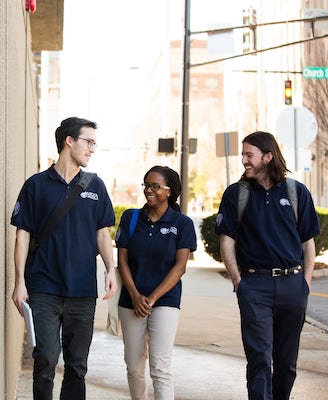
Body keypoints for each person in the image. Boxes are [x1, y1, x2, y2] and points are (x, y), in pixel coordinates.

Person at [10, 117, 117, 400]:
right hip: (43, 287)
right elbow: (22, 235)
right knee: (45, 358)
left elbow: (103, 234)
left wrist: (110, 269)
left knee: (77, 366)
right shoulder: (35, 185)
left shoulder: (96, 186)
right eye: (88, 142)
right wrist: (19, 282)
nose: (92, 148)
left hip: (82, 291)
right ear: (69, 141)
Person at [215, 131, 320, 400]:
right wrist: (238, 281)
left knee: (287, 363)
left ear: (268, 157)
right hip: (255, 287)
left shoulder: (297, 192)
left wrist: (304, 283)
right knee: (259, 358)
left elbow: (308, 243)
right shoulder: (236, 194)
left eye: (249, 155)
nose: (244, 161)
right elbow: (227, 241)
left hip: (292, 285)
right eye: (243, 155)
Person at [115, 165, 197, 400]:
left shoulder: (182, 223)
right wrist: (135, 294)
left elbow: (180, 267)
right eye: (146, 185)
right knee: (133, 366)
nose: (149, 190)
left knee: (160, 367)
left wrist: (152, 298)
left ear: (169, 191)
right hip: (131, 300)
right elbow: (123, 260)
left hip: (165, 300)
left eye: (155, 186)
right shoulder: (131, 218)